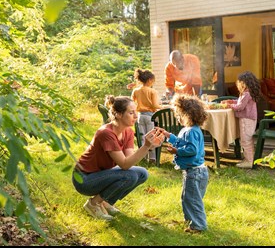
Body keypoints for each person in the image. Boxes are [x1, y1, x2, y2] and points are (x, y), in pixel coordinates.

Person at [73, 95, 166, 221]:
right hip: (84, 179)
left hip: (101, 175)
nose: (136, 116)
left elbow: (129, 160)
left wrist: (149, 146)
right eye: (131, 113)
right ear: (118, 114)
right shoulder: (106, 133)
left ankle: (105, 201)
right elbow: (124, 165)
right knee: (130, 175)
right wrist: (146, 146)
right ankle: (93, 204)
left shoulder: (127, 131)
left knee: (142, 173)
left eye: (136, 112)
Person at [160, 94, 209, 233]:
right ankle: (190, 220)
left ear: (188, 115)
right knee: (188, 198)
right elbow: (183, 142)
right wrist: (169, 136)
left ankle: (198, 226)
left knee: (192, 200)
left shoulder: (191, 131)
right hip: (196, 171)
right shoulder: (191, 130)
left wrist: (177, 151)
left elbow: (191, 149)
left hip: (194, 173)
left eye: (179, 115)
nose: (177, 117)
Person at [224, 71, 265, 169]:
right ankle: (249, 159)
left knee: (245, 140)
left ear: (244, 83)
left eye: (240, 83)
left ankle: (249, 161)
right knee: (247, 140)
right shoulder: (248, 93)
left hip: (247, 120)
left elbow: (240, 107)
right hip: (249, 119)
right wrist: (231, 101)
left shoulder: (246, 94)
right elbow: (240, 103)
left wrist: (229, 105)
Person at [131, 69, 161, 162]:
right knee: (151, 137)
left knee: (143, 137)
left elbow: (132, 102)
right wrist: (162, 106)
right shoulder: (152, 91)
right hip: (150, 116)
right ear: (149, 80)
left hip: (140, 116)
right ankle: (152, 158)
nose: (153, 83)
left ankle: (142, 157)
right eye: (153, 81)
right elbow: (155, 105)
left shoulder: (136, 91)